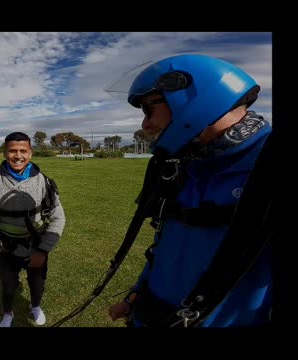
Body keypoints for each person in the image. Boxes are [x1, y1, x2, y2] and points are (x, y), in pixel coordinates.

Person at [108, 54, 272, 327]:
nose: (145, 124)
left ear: (191, 97)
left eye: (149, 109)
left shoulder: (267, 166)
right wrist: (135, 296)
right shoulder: (183, 167)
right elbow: (165, 248)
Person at [0, 132, 66, 327]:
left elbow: (58, 218)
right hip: (6, 248)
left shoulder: (45, 182)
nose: (18, 156)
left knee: (37, 284)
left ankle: (35, 307)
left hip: (35, 247)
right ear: (4, 152)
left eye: (22, 151)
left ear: (30, 153)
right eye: (12, 151)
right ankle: (7, 313)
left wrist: (43, 249)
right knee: (8, 286)